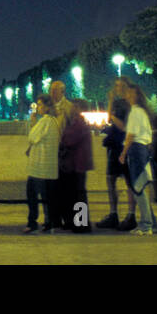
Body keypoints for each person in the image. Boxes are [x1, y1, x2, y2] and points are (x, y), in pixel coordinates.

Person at [97, 77, 137, 231]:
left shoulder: (130, 105)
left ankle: (130, 215)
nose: (118, 88)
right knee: (111, 179)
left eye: (121, 85)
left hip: (124, 145)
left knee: (128, 182)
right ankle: (114, 214)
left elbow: (123, 127)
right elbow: (109, 118)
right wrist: (110, 102)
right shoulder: (118, 102)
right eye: (116, 85)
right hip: (114, 145)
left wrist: (112, 116)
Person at [117, 85, 156, 235]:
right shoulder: (143, 112)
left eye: (130, 94)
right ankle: (149, 222)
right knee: (139, 188)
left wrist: (123, 153)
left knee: (137, 189)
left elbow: (131, 135)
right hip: (143, 150)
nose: (127, 96)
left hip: (136, 150)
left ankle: (146, 225)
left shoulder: (135, 112)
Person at [24, 95, 59, 233]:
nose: (38, 107)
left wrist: (32, 123)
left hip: (40, 167)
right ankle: (49, 222)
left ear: (47, 107)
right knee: (46, 197)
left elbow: (32, 137)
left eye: (40, 105)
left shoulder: (46, 121)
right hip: (47, 167)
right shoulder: (53, 121)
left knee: (32, 196)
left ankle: (32, 223)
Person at [57, 99, 93, 231]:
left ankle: (81, 224)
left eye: (73, 107)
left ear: (78, 108)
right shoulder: (80, 123)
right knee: (78, 194)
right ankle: (79, 223)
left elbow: (67, 140)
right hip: (80, 163)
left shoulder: (78, 123)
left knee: (78, 195)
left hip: (78, 164)